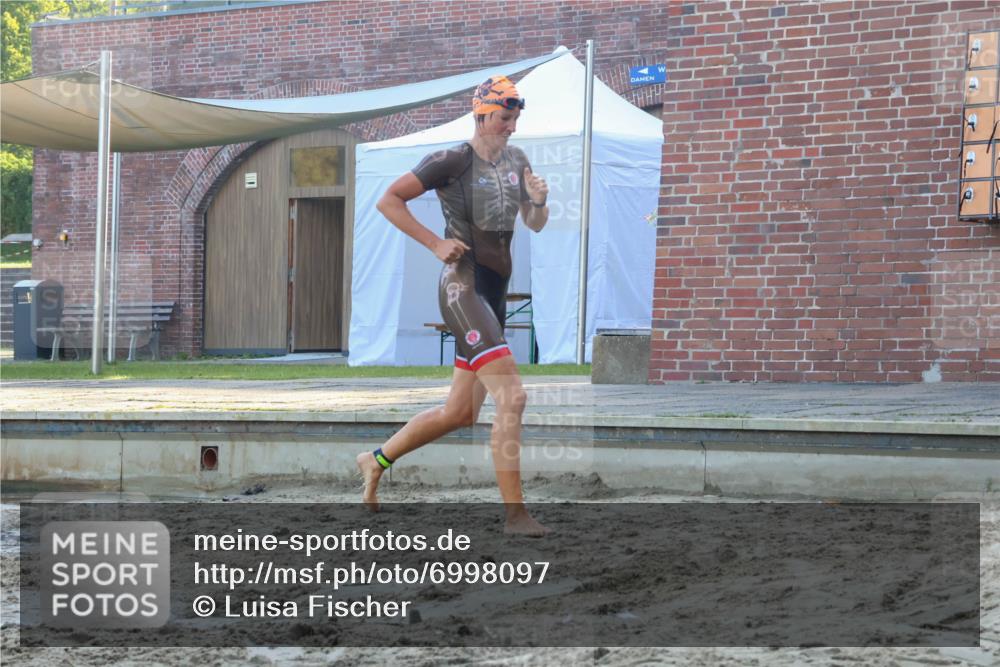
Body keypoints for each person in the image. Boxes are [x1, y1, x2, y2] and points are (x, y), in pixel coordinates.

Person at [356, 74, 550, 536]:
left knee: (460, 413)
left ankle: (376, 460)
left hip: (495, 295)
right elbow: (389, 200)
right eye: (505, 118)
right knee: (514, 397)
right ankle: (515, 516)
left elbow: (534, 224)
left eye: (516, 118)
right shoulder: (452, 160)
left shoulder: (516, 160)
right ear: (481, 114)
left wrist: (539, 202)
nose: (512, 128)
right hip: (463, 291)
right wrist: (434, 243)